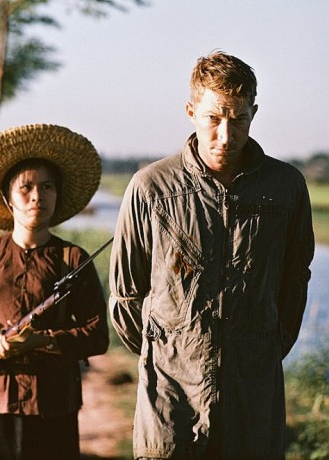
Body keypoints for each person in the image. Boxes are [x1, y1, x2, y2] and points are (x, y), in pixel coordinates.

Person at [109, 51, 315, 459]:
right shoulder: (150, 187)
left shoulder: (286, 187)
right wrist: (172, 349)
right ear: (191, 111)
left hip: (253, 391)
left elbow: (294, 282)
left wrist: (260, 348)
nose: (226, 134)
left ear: (254, 113)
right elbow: (126, 297)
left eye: (239, 119)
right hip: (171, 396)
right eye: (213, 118)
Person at [0, 123, 109, 460]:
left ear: (57, 194)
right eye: (25, 187)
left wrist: (42, 341)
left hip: (54, 407)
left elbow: (97, 336)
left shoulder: (74, 260)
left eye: (47, 187)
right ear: (7, 198)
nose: (37, 196)